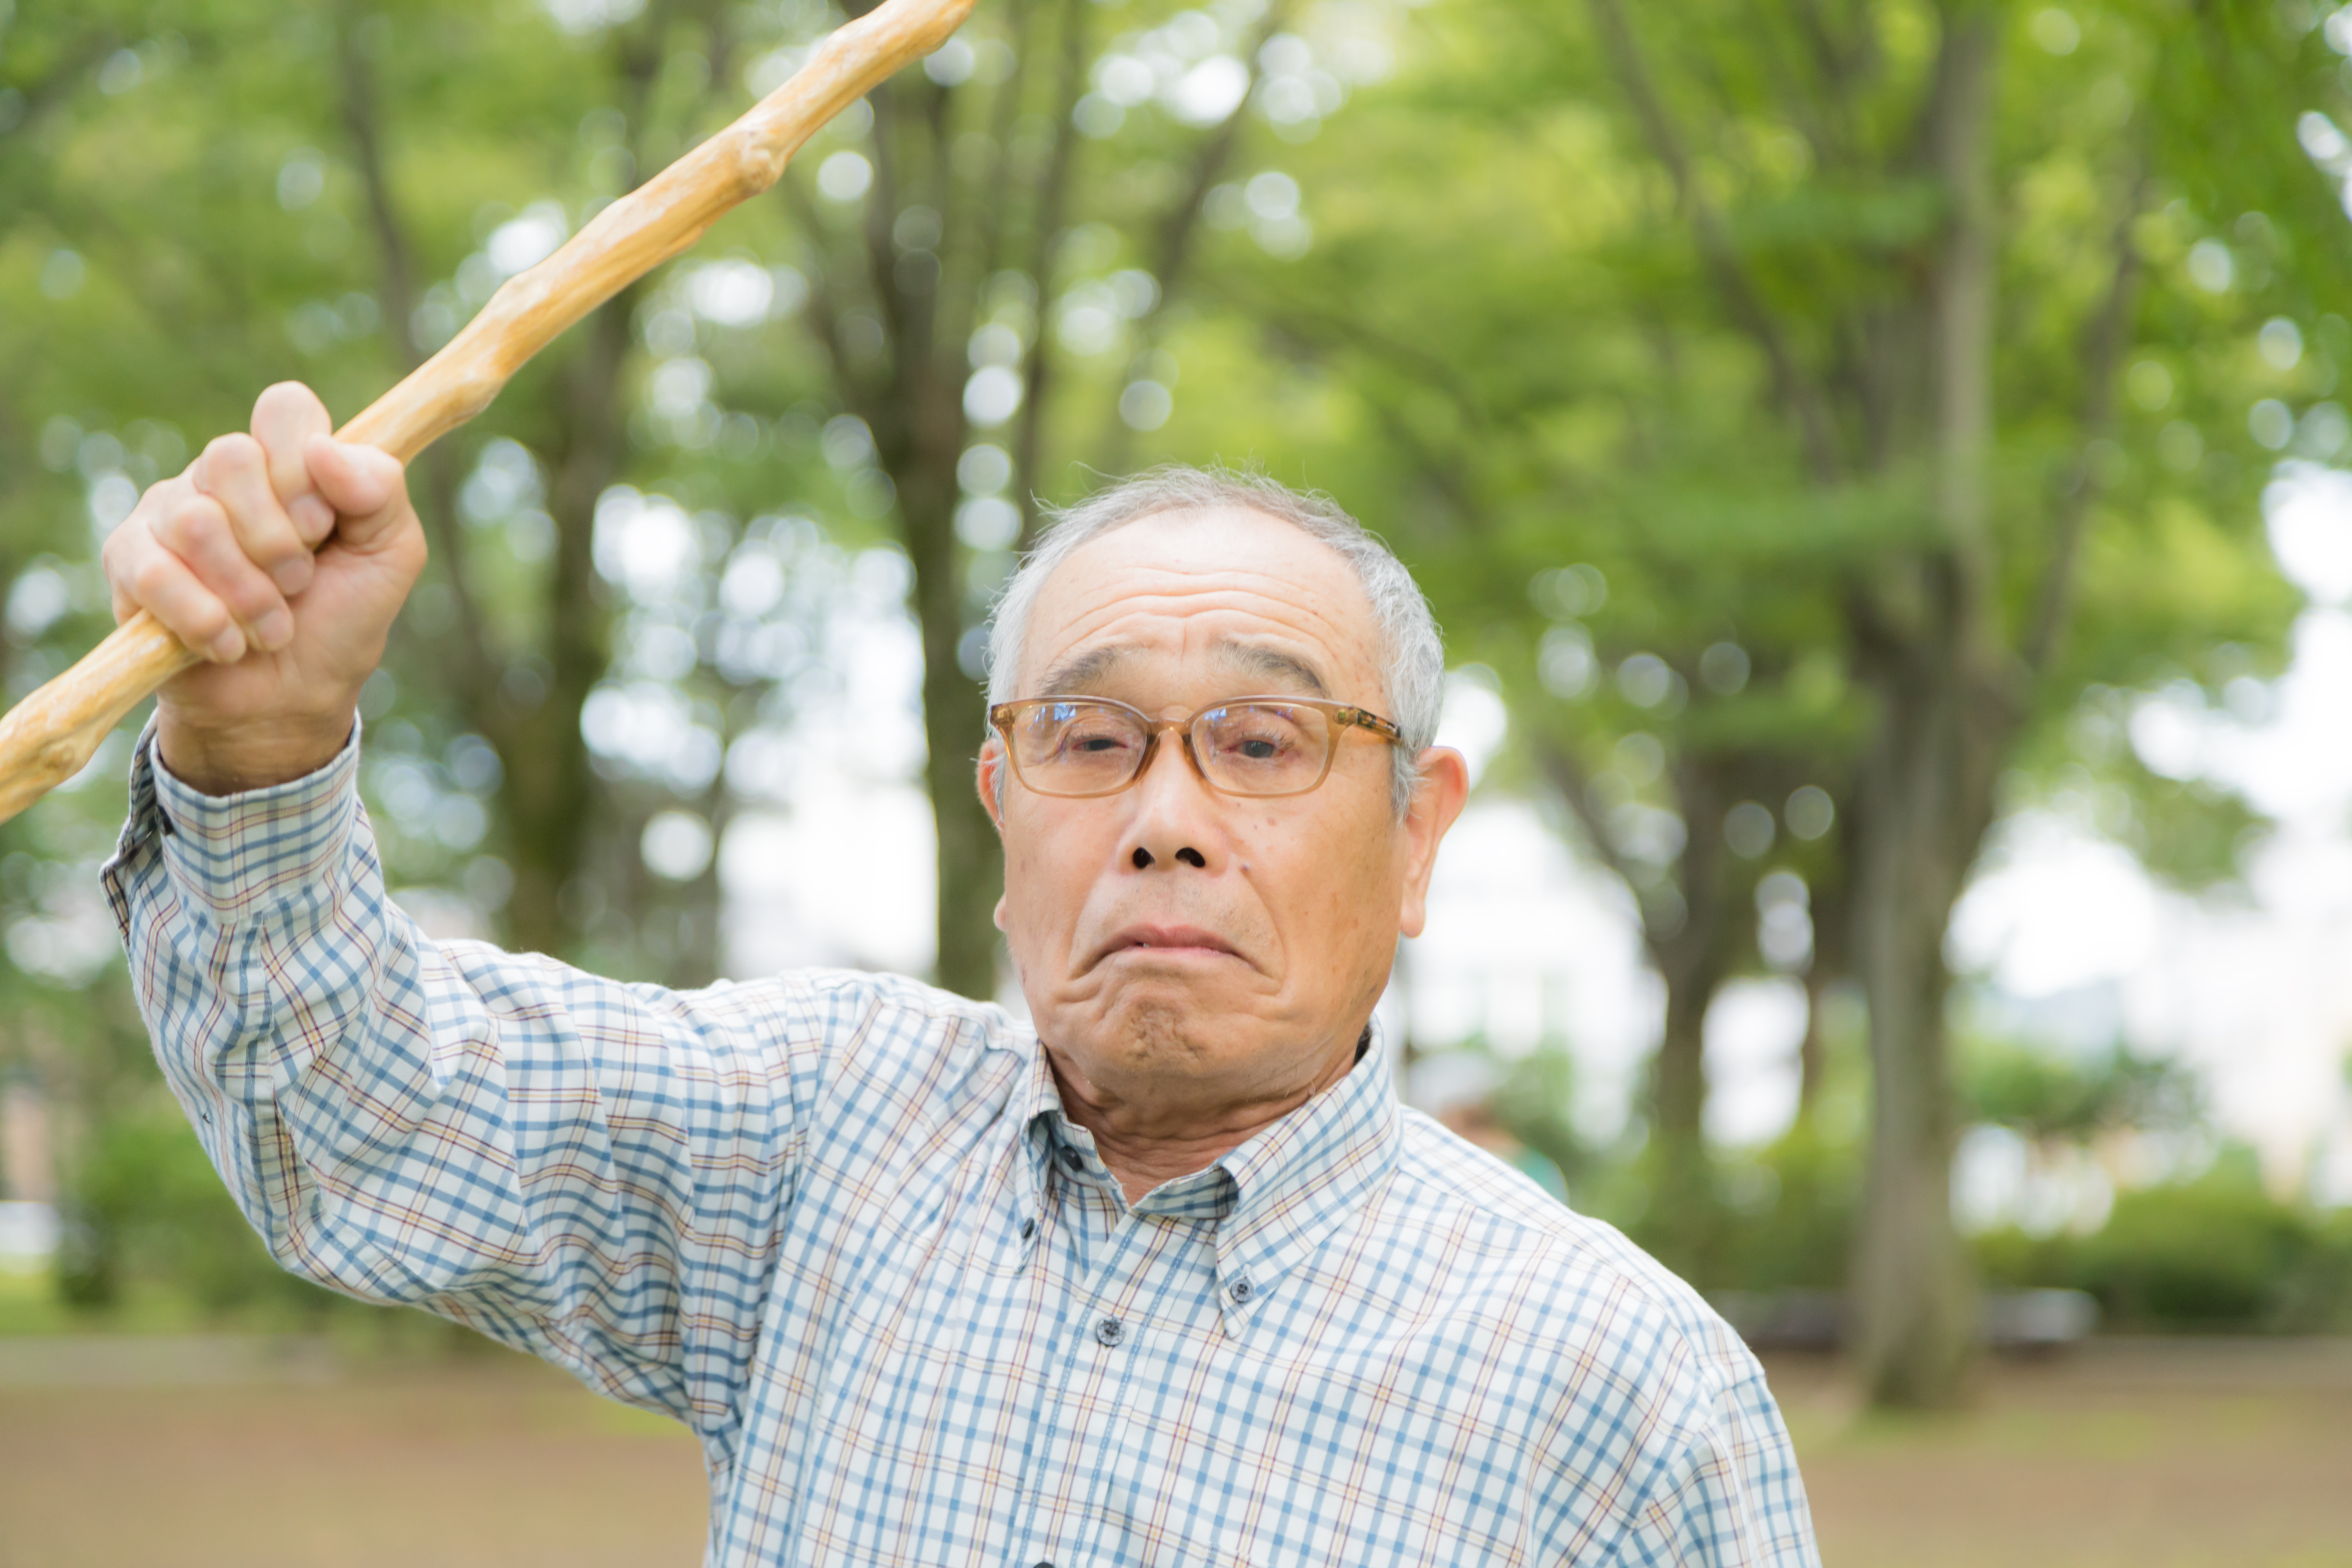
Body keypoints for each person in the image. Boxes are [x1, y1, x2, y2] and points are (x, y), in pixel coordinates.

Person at [99, 383, 1820, 1566]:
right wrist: (262, 741)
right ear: (1004, 807)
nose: (1164, 821)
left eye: (1262, 739)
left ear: (1417, 828)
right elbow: (366, 1113)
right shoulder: (815, 1136)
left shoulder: (1618, 1383)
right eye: (1085, 735)